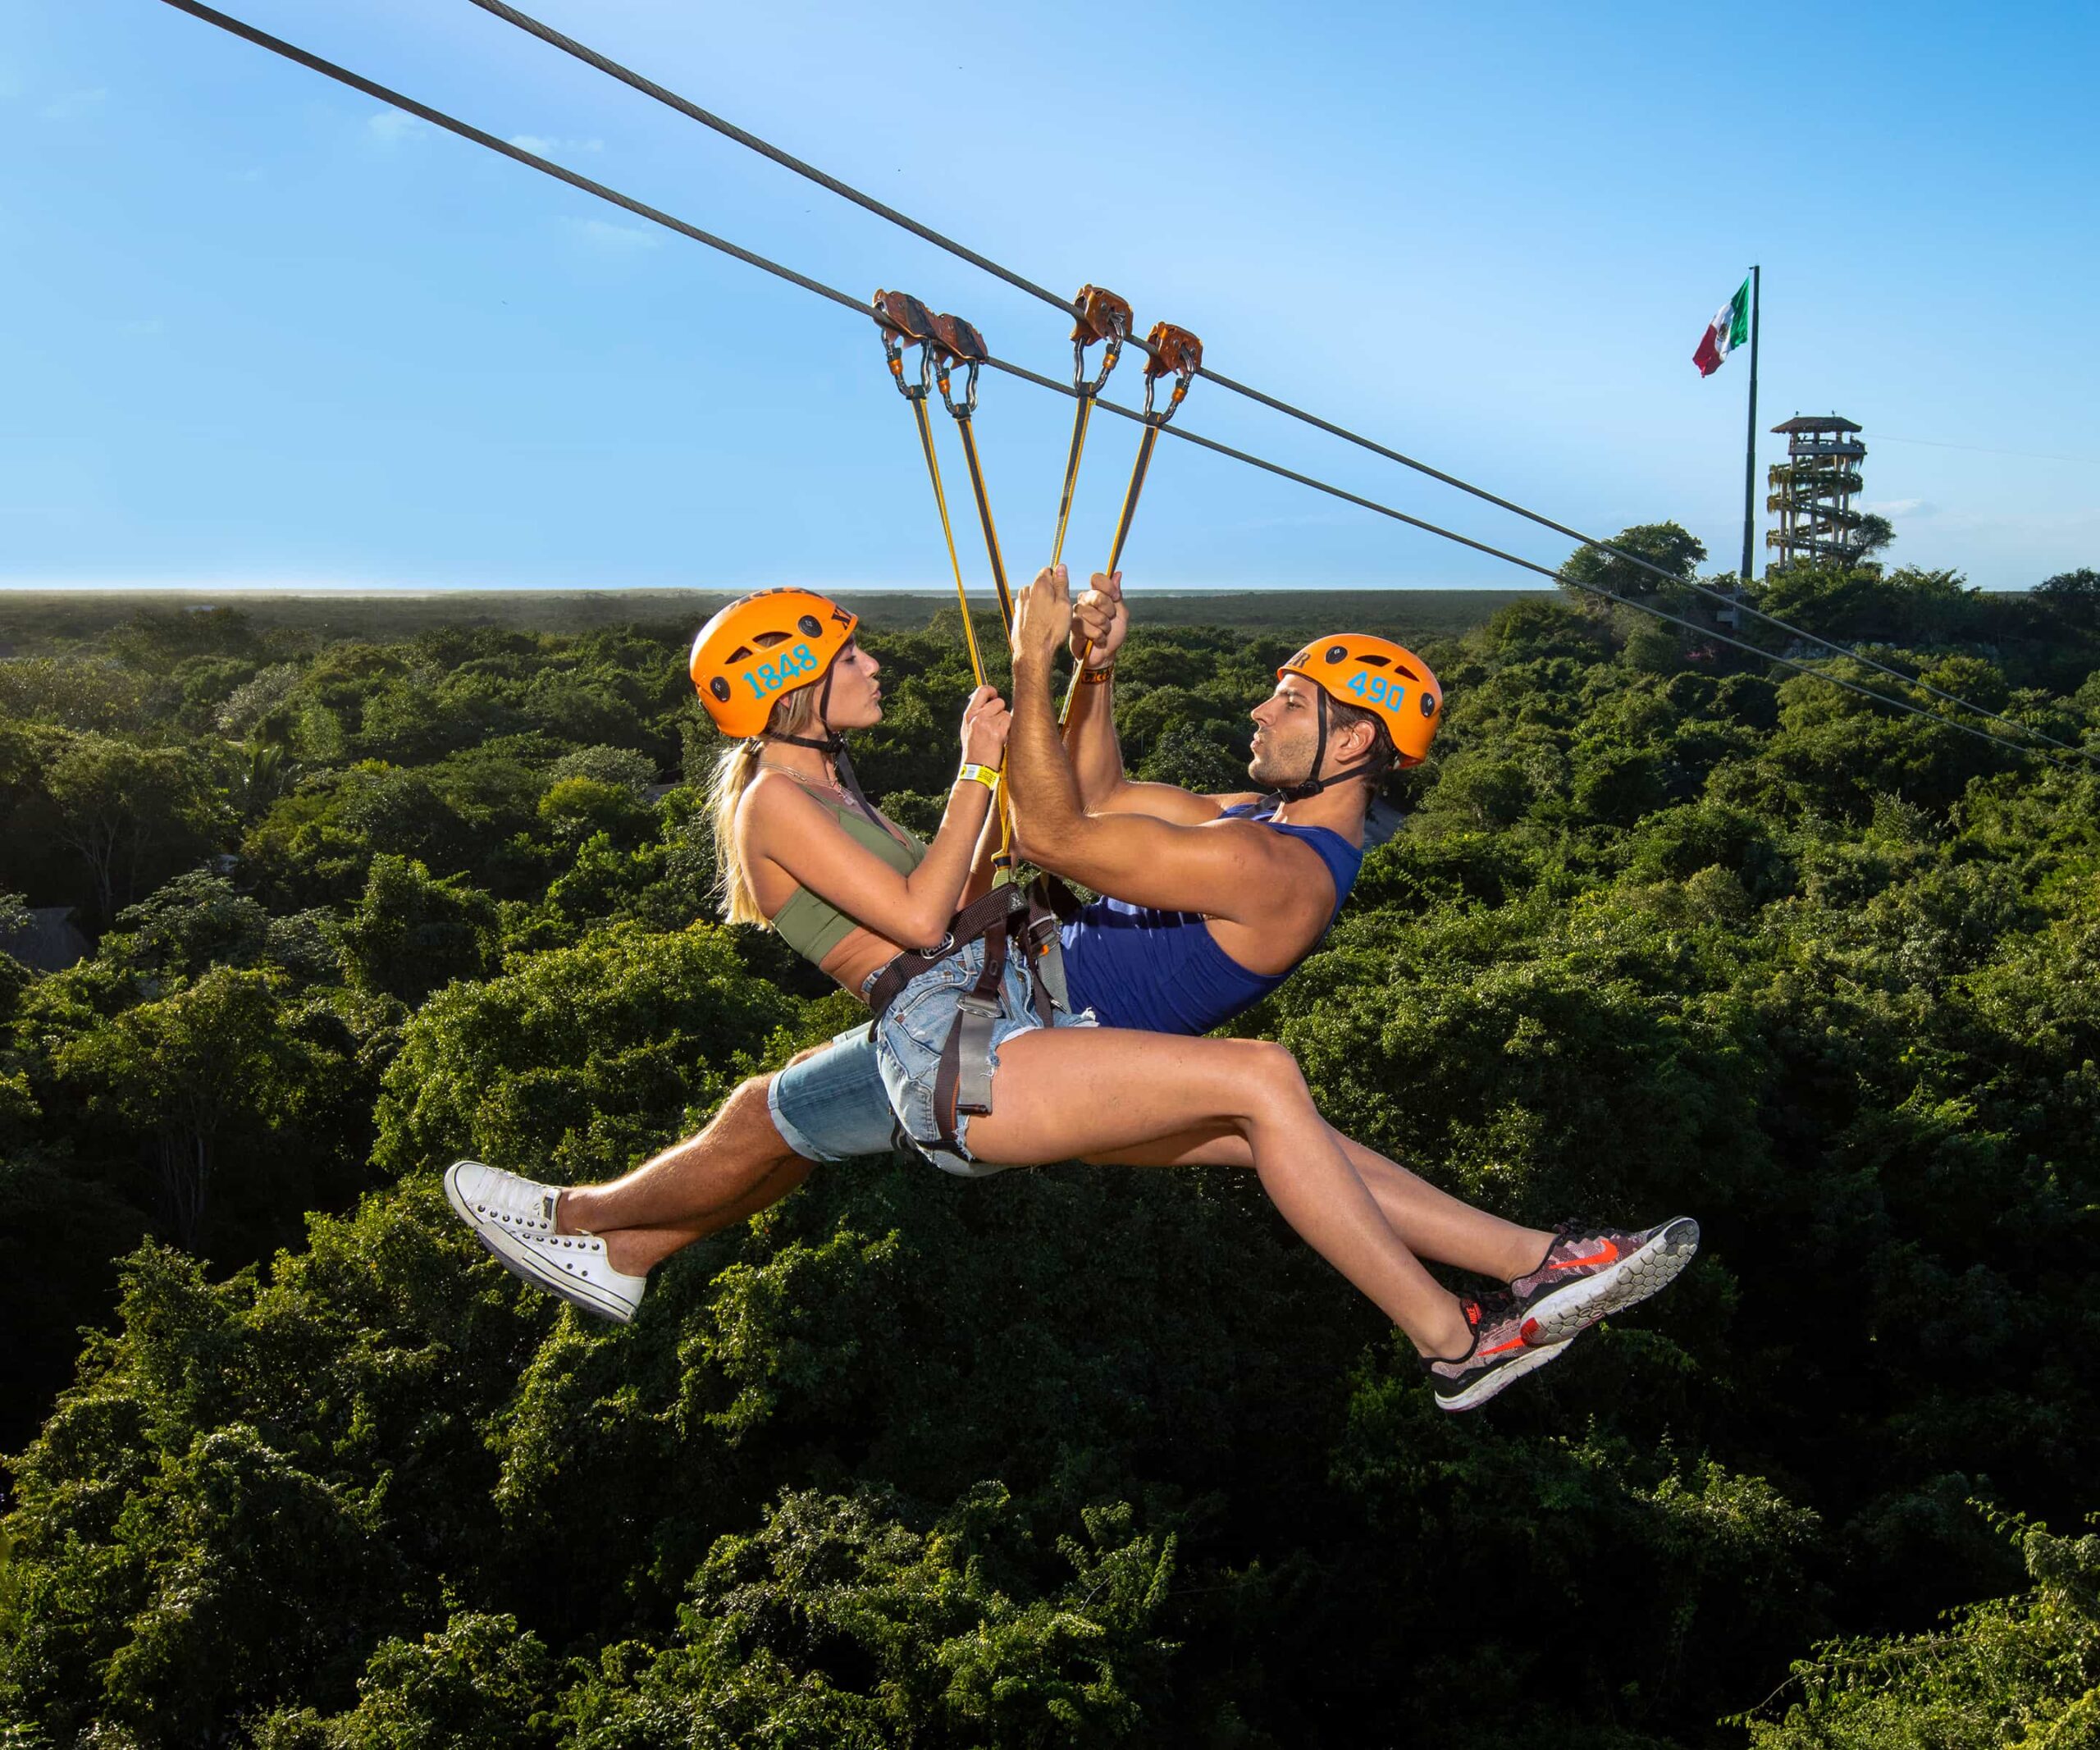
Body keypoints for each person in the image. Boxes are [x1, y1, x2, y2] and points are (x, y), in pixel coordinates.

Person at [447, 573, 1696, 1410]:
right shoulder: (1241, 816)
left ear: (1354, 743)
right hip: (980, 1021)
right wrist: (1077, 685)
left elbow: (1036, 835)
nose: (1257, 710)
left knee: (1271, 1106)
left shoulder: (1269, 862)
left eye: (1291, 702)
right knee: (764, 1114)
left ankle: (1488, 1312)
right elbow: (1075, 812)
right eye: (852, 655)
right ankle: (1490, 1313)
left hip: (996, 1020)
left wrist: (1031, 686)